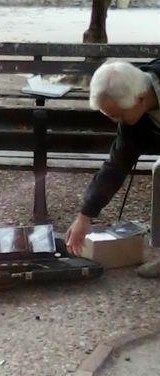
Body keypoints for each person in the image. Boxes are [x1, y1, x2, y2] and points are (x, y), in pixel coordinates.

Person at [65, 59, 160, 278]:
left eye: (118, 115)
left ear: (141, 99)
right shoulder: (134, 117)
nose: (115, 121)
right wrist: (85, 215)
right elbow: (116, 165)